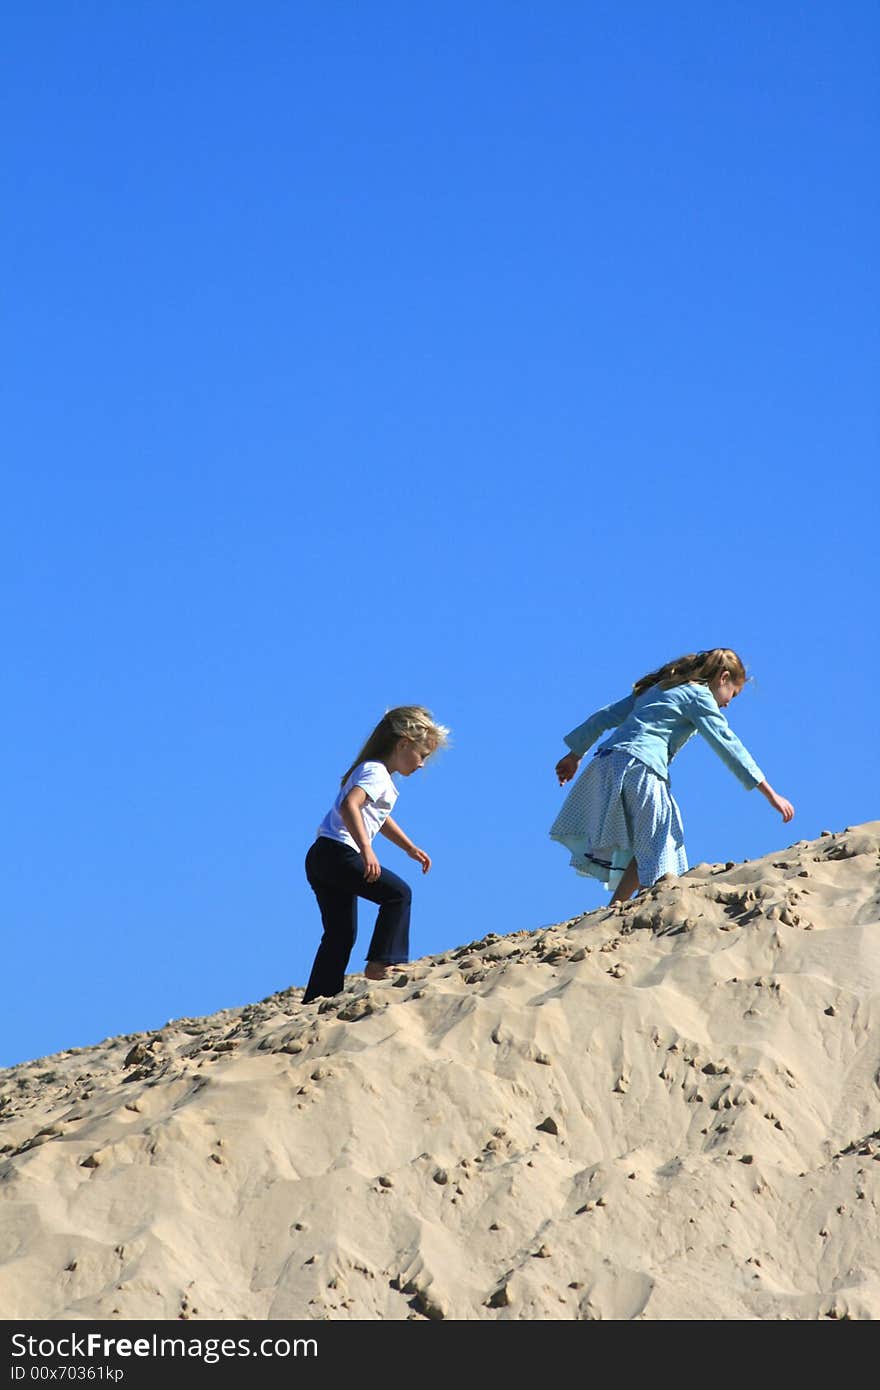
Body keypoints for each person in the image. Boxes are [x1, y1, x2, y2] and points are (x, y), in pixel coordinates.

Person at [549, 648, 793, 903]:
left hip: (607, 763)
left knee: (650, 842)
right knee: (664, 838)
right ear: (723, 678)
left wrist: (575, 753)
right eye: (733, 693)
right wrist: (770, 793)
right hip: (641, 766)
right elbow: (728, 744)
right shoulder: (699, 695)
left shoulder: (660, 687)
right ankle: (651, 904)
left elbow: (606, 715)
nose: (729, 702)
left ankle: (617, 907)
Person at [302, 705, 450, 1004]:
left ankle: (319, 997)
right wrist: (366, 849)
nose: (422, 765)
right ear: (403, 744)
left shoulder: (374, 773)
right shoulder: (376, 772)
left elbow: (378, 817)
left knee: (340, 934)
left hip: (321, 856)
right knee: (398, 894)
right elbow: (350, 806)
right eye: (422, 755)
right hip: (339, 852)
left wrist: (409, 847)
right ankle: (382, 962)